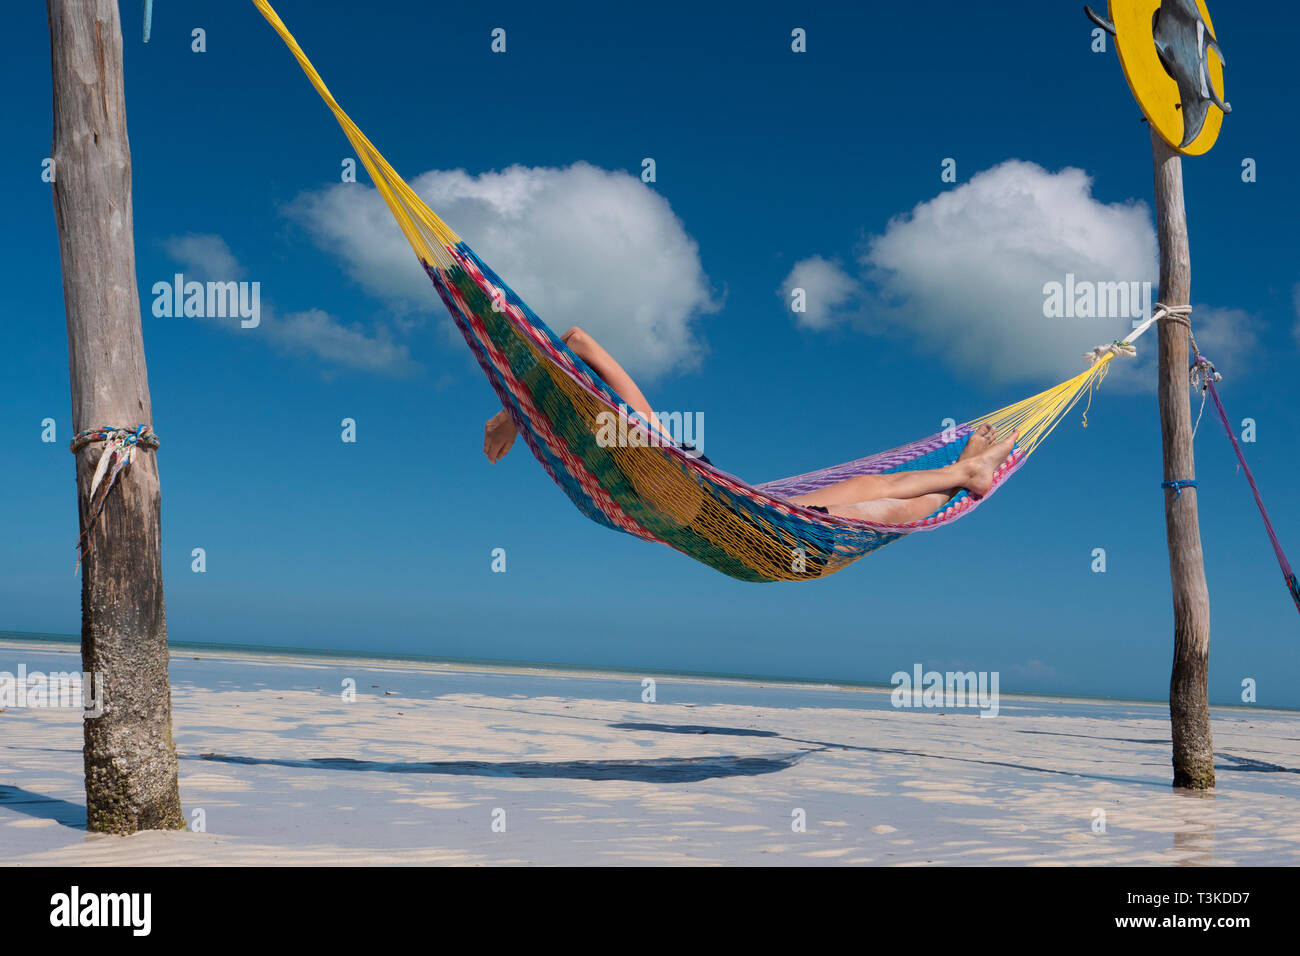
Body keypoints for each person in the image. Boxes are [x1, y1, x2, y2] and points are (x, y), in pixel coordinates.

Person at [483, 326, 1017, 524]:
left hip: (742, 513)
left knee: (883, 502)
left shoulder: (645, 439)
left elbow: (577, 341)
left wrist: (510, 414)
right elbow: (572, 356)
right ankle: (966, 472)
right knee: (885, 502)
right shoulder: (618, 451)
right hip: (741, 513)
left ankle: (968, 472)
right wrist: (516, 418)